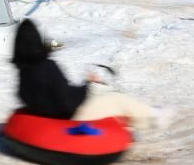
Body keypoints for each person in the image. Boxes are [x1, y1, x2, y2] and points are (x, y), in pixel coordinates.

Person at [12, 19, 155, 130]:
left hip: (49, 115)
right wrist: (86, 87)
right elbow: (65, 101)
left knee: (102, 94)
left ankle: (138, 121)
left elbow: (24, 96)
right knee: (117, 99)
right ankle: (155, 117)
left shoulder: (23, 70)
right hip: (71, 116)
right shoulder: (47, 67)